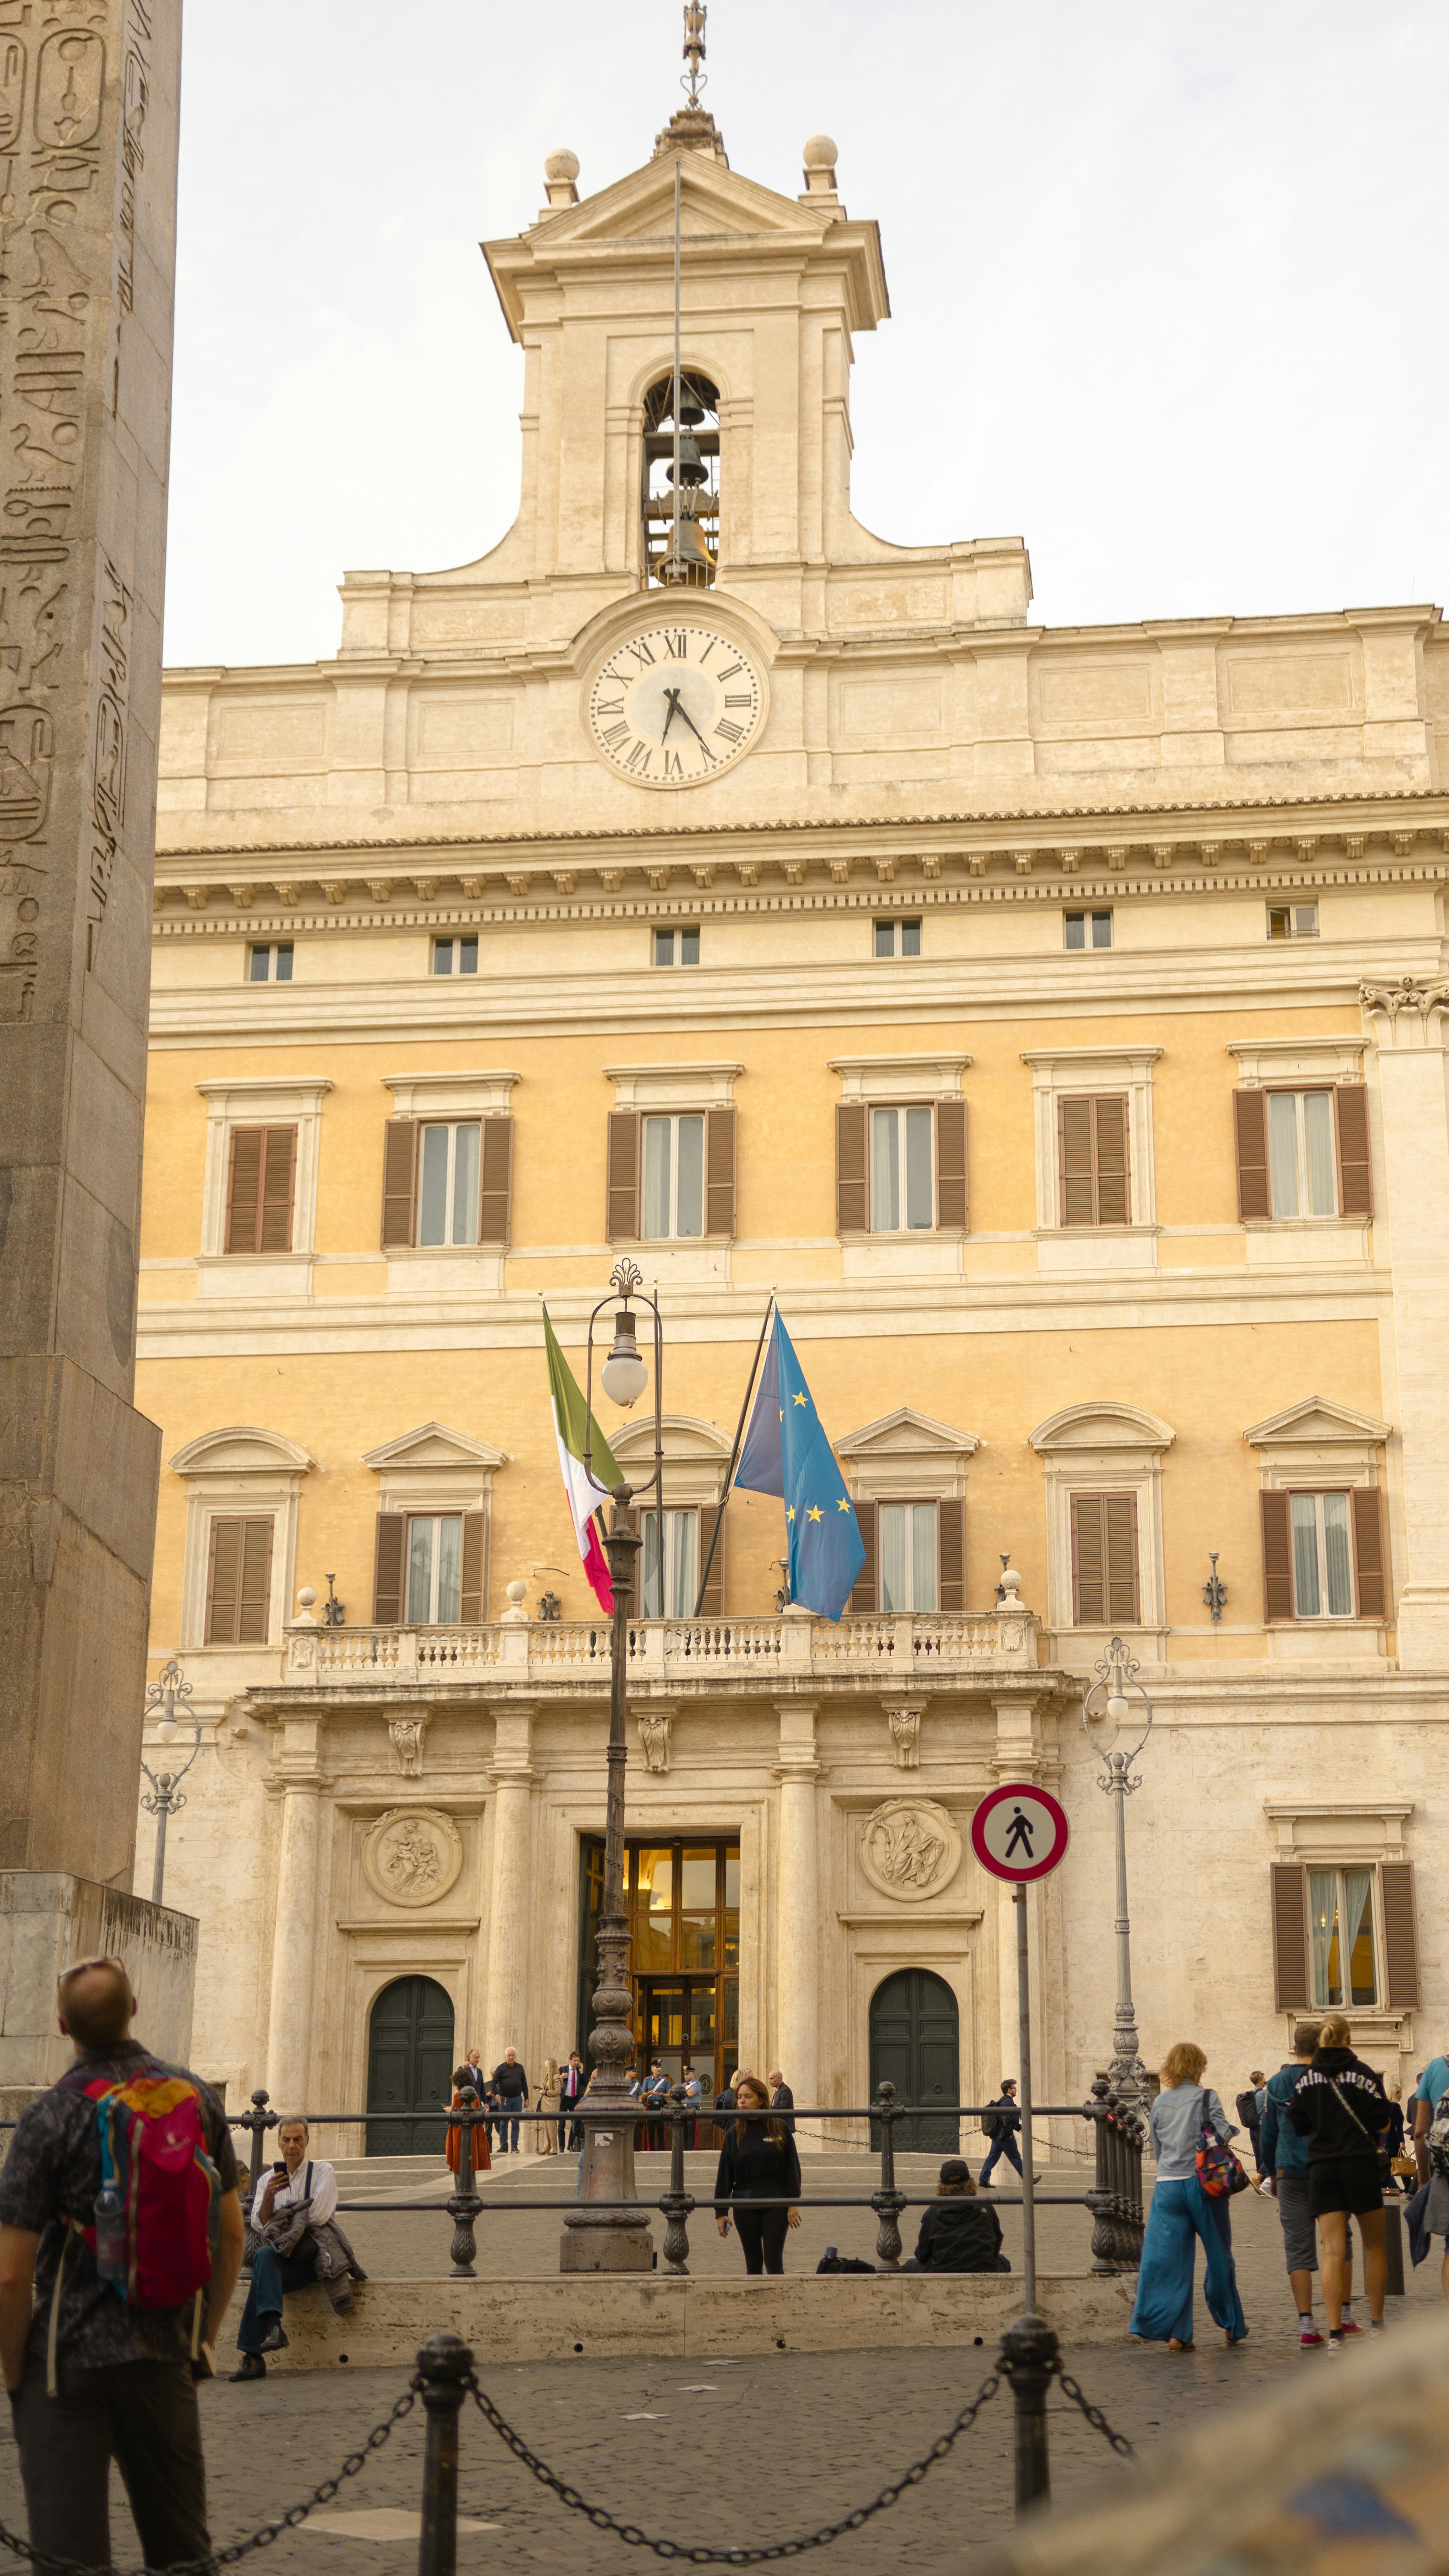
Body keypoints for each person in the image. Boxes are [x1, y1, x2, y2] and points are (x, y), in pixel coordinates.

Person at [0, 1956, 244, 2573]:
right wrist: (204, 2343)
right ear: (134, 2009)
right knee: (183, 2556)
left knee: (69, 2561)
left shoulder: (47, 2118)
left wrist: (15, 2375)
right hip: (164, 2356)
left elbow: (8, 2275)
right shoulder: (192, 2098)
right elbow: (232, 2237)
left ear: (61, 2024)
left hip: (65, 2365)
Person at [1129, 2040, 1247, 2351]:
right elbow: (1221, 2133)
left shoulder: (1159, 2102)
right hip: (1203, 2186)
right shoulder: (1207, 2097)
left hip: (1167, 2185)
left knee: (1170, 2262)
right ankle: (1231, 2325)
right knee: (1219, 2255)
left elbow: (1155, 2145)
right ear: (1199, 2066)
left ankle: (1176, 2334)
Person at [233, 2116, 366, 2378]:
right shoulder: (266, 2182)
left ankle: (254, 2355)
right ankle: (272, 2330)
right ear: (279, 2142)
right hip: (280, 2264)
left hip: (311, 2261)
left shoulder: (323, 2171)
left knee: (264, 2261)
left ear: (307, 2141)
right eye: (286, 2140)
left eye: (298, 2139)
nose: (292, 2145)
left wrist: (280, 2220)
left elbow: (318, 2215)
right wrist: (271, 2197)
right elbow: (260, 2225)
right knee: (264, 2257)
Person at [1287, 2011, 1389, 2347]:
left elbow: (1299, 2125)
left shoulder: (1305, 2079)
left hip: (1323, 2168)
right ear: (1348, 2039)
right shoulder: (1364, 2074)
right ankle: (1376, 2325)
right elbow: (1382, 2122)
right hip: (1359, 2165)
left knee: (1332, 2251)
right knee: (1373, 2245)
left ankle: (1333, 2334)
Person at [1259, 2019, 1358, 2347]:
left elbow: (1268, 2133)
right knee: (1339, 2244)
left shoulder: (1274, 2084)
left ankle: (1306, 2326)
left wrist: (1271, 2172)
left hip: (1289, 2172)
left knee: (1297, 2249)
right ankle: (1343, 2319)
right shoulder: (1325, 2079)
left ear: (1294, 2047)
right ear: (1321, 2047)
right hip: (1326, 2169)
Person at [714, 2072, 802, 2275]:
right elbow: (725, 2175)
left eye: (748, 2097)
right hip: (745, 2203)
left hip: (776, 2202)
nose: (742, 2102)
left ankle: (777, 2303)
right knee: (753, 2263)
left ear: (762, 2100)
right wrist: (721, 2213)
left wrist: (793, 2202)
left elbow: (792, 2168)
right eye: (739, 2097)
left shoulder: (779, 2127)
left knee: (773, 2259)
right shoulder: (734, 2134)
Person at [903, 2160, 1009, 2272]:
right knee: (1004, 2262)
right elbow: (996, 2245)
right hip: (983, 2267)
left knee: (910, 2265)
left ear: (942, 2185)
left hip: (941, 2269)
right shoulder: (986, 2208)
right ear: (970, 2182)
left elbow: (922, 2254)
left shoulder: (933, 2213)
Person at [445, 2069, 492, 2178]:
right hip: (474, 2131)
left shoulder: (458, 2095)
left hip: (460, 2132)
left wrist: (450, 2111)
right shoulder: (475, 2095)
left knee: (459, 2161)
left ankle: (461, 2193)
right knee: (471, 2163)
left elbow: (457, 2113)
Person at [979, 2079, 1023, 2187]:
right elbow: (1007, 2119)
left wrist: (1018, 2127)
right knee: (1016, 2157)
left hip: (997, 2135)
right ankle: (1028, 2179)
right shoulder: (1008, 2102)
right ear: (1009, 2090)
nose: (1016, 2090)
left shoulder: (1002, 2100)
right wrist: (1010, 2133)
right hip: (1004, 2136)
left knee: (992, 2157)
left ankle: (983, 2180)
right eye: (1014, 2088)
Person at [491, 2048, 530, 2154]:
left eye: (513, 2055)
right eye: (509, 2055)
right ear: (506, 2057)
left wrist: (527, 2098)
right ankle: (504, 2146)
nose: (511, 2057)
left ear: (515, 2056)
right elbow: (494, 2082)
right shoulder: (501, 2068)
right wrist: (496, 2095)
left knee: (516, 2122)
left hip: (517, 2099)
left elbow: (524, 2084)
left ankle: (514, 2146)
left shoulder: (520, 2068)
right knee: (504, 2123)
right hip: (505, 2099)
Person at [1236, 2072, 1267, 2176]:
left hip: (1253, 2128)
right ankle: (1262, 2179)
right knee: (1266, 2154)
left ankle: (1261, 2181)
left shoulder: (1253, 2094)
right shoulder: (1263, 2094)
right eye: (1264, 2079)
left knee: (1258, 2155)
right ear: (1259, 2080)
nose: (1265, 2080)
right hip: (1261, 2126)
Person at [559, 2051, 586, 2151]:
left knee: (575, 2123)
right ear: (570, 2060)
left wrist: (582, 2071)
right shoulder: (563, 2070)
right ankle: (561, 2147)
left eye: (578, 2061)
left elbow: (585, 2084)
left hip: (575, 2099)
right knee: (561, 2124)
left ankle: (570, 2145)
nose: (576, 2063)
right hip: (564, 2099)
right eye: (575, 2060)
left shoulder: (579, 2071)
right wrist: (561, 2077)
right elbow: (553, 2081)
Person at [642, 2059, 671, 2149]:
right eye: (657, 2067)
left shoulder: (665, 2081)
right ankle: (650, 2150)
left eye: (660, 2067)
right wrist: (649, 2093)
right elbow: (642, 2095)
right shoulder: (647, 2080)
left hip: (661, 2106)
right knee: (650, 2130)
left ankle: (661, 2150)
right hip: (651, 2106)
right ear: (652, 2069)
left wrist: (663, 2095)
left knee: (661, 2130)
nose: (659, 2069)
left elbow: (670, 2094)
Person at [535, 2059, 561, 2156]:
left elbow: (557, 2092)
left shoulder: (556, 2077)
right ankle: (547, 2147)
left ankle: (554, 2148)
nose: (546, 2069)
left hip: (552, 2105)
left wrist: (544, 2092)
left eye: (547, 2067)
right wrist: (542, 2091)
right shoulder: (549, 2077)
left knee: (552, 2128)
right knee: (547, 2127)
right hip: (546, 2105)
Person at [768, 2068, 796, 2137]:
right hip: (778, 2127)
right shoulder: (779, 2090)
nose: (770, 2081)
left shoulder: (784, 2090)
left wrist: (767, 2107)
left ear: (779, 2079)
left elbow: (783, 2108)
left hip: (784, 2127)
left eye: (772, 2079)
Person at [682, 2064, 703, 2147]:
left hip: (692, 2109)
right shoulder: (684, 2085)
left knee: (691, 2132)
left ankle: (691, 2151)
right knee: (684, 2132)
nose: (686, 2076)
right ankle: (685, 2150)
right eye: (685, 2074)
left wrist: (683, 2093)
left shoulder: (697, 2084)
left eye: (688, 2074)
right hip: (683, 2109)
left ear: (693, 2074)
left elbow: (691, 2094)